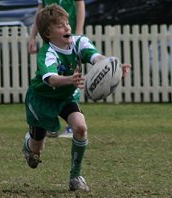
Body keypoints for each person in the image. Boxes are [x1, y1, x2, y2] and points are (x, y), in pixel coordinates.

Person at [22, 4, 131, 192]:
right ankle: (29, 145)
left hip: (66, 97)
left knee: (80, 128)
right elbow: (51, 79)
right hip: (42, 99)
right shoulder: (47, 53)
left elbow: (96, 58)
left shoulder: (78, 42)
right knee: (37, 149)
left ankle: (75, 177)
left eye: (67, 23)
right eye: (60, 26)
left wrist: (114, 68)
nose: (67, 28)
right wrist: (70, 79)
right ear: (48, 34)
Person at [29, 0, 85, 138]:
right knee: (50, 78)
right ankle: (48, 124)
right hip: (54, 41)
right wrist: (32, 36)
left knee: (71, 77)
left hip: (68, 40)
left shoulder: (71, 34)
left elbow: (80, 5)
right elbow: (40, 12)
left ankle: (71, 126)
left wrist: (77, 34)